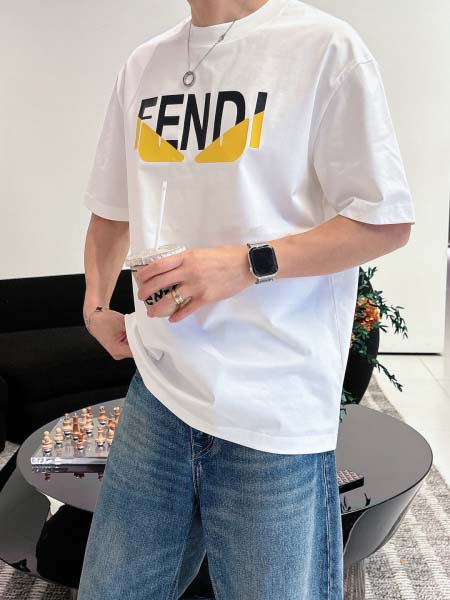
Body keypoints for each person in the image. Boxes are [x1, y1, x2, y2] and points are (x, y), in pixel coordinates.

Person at [78, 0, 416, 598]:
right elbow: (111, 209)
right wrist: (96, 304)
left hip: (273, 403)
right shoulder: (144, 65)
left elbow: (383, 221)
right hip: (159, 391)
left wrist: (245, 264)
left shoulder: (325, 48)